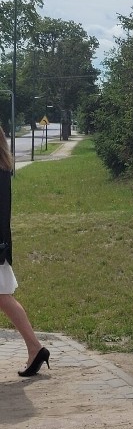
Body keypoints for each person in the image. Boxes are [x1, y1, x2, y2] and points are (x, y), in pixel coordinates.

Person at [0, 126, 50, 377]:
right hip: (1, 244)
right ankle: (35, 348)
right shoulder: (3, 168)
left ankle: (35, 347)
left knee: (4, 297)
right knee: (4, 297)